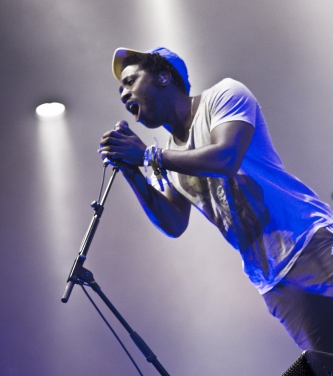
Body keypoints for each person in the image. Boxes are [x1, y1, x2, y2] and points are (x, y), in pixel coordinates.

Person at [98, 46, 333, 354]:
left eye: (130, 81)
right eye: (120, 88)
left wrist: (146, 156)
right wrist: (133, 172)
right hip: (273, 281)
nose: (123, 93)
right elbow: (173, 223)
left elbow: (225, 158)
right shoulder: (169, 152)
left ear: (164, 77)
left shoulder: (224, 95)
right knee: (327, 374)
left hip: (307, 240)